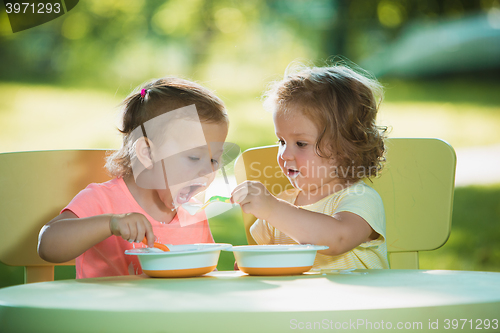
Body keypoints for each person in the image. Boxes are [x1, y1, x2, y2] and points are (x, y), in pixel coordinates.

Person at [38, 77, 229, 278]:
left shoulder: (194, 215)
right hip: (107, 308)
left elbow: (206, 273)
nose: (207, 171)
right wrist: (110, 224)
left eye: (214, 160)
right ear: (147, 153)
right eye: (193, 157)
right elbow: (48, 245)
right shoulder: (103, 201)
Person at [231, 63, 389, 270]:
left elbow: (338, 238)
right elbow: (267, 265)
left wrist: (273, 209)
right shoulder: (281, 206)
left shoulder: (360, 198)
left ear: (344, 148)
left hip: (360, 302)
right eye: (281, 141)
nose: (284, 154)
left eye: (301, 144)